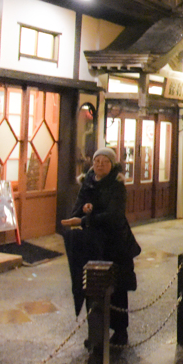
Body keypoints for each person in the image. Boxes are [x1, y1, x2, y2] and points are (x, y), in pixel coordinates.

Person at [61, 147, 141, 347]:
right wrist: (83, 211)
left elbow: (114, 216)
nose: (99, 165)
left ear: (112, 165)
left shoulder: (116, 185)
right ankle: (97, 332)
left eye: (104, 162)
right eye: (97, 161)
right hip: (92, 247)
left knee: (117, 290)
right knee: (94, 288)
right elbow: (77, 209)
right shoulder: (87, 183)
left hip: (115, 246)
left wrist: (87, 218)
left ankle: (120, 332)